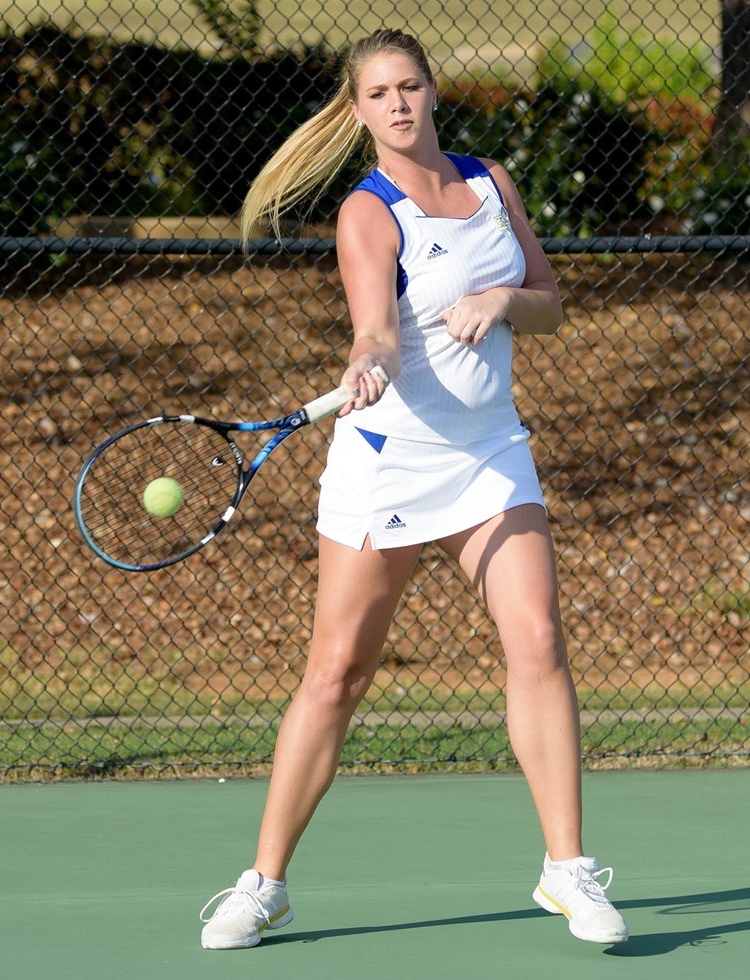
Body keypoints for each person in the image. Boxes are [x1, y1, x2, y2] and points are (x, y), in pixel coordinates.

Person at [194, 28, 627, 950]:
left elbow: (549, 299)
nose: (397, 102)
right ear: (359, 113)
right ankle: (262, 884)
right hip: (390, 458)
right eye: (379, 92)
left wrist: (503, 302)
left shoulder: (492, 183)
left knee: (540, 638)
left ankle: (568, 871)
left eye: (410, 86)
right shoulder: (367, 213)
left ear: (434, 93)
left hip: (490, 452)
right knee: (337, 673)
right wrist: (368, 362)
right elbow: (376, 331)